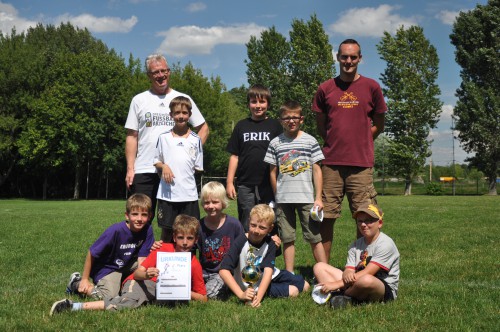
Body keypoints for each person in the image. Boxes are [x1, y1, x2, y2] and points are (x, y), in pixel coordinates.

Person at [312, 39, 387, 262]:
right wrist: (335, 142)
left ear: (360, 58)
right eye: (344, 56)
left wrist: (361, 139)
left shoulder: (372, 87)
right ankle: (323, 271)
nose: (348, 61)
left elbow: (379, 124)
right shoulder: (325, 88)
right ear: (338, 57)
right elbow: (321, 124)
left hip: (361, 165)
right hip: (332, 164)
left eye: (353, 57)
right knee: (326, 217)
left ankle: (360, 266)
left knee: (366, 218)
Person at [50, 215, 207, 315]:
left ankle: (79, 288)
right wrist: (147, 274)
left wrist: (184, 291)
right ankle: (72, 306)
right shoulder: (163, 250)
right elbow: (138, 273)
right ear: (174, 237)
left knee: (168, 303)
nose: (185, 242)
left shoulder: (194, 263)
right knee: (126, 304)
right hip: (141, 283)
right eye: (181, 237)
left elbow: (203, 298)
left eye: (189, 238)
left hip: (162, 293)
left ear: (196, 240)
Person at [125, 53, 209, 223]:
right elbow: (132, 136)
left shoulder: (181, 99)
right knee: (140, 219)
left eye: (164, 70)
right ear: (149, 75)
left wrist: (190, 155)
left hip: (175, 172)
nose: (161, 75)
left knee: (177, 223)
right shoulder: (139, 100)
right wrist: (130, 168)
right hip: (144, 169)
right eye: (156, 72)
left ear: (169, 72)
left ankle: (176, 250)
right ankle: (140, 251)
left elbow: (203, 128)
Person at [264, 100, 327, 273]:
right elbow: (272, 172)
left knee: (315, 237)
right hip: (284, 201)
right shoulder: (275, 143)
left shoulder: (310, 141)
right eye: (286, 118)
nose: (291, 121)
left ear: (301, 119)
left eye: (295, 117)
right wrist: (277, 196)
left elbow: (317, 170)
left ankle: (326, 273)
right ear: (280, 120)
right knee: (287, 238)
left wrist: (318, 197)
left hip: (307, 198)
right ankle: (290, 274)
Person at [64, 194, 155, 300]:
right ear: (127, 215)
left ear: (149, 216)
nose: (139, 219)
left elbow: (142, 260)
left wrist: (144, 277)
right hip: (108, 268)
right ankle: (76, 283)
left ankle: (126, 285)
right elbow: (92, 252)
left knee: (152, 265)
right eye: (134, 214)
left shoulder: (148, 230)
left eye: (144, 215)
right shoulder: (115, 231)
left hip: (127, 264)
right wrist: (85, 279)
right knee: (109, 297)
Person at [219, 204, 309, 307]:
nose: (256, 231)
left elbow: (268, 272)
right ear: (249, 221)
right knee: (294, 291)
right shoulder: (240, 241)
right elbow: (223, 270)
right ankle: (266, 290)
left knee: (306, 286)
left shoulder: (270, 243)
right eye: (253, 225)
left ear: (270, 229)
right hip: (251, 285)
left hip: (269, 276)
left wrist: (259, 298)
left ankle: (271, 288)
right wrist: (241, 294)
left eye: (262, 228)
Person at [313, 204, 399, 309]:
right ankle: (347, 299)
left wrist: (336, 284)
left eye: (368, 221)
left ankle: (337, 296)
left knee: (367, 280)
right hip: (356, 282)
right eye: (360, 221)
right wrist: (348, 272)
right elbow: (349, 269)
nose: (363, 224)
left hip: (382, 288)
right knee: (319, 267)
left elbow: (368, 272)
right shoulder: (355, 245)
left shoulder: (385, 243)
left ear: (380, 223)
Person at [226, 84, 282, 231]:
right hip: (245, 184)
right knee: (247, 220)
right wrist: (230, 182)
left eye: (262, 101)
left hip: (269, 184)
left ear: (268, 104)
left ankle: (269, 252)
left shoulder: (275, 126)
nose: (258, 105)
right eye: (254, 101)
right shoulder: (241, 126)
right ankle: (246, 252)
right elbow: (234, 156)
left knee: (269, 220)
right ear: (248, 103)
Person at [154, 96, 203, 243]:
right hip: (167, 195)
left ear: (189, 115)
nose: (180, 116)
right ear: (171, 115)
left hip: (189, 196)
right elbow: (156, 161)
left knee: (190, 233)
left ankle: (190, 265)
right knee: (167, 233)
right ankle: (165, 265)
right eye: (176, 113)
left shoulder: (196, 139)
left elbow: (198, 168)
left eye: (184, 113)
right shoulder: (163, 138)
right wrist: (164, 166)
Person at [198, 181, 245, 300]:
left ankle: (228, 287)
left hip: (223, 272)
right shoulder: (198, 226)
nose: (211, 206)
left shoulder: (234, 224)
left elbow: (244, 248)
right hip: (203, 271)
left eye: (215, 202)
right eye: (207, 202)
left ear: (223, 203)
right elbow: (189, 250)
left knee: (209, 294)